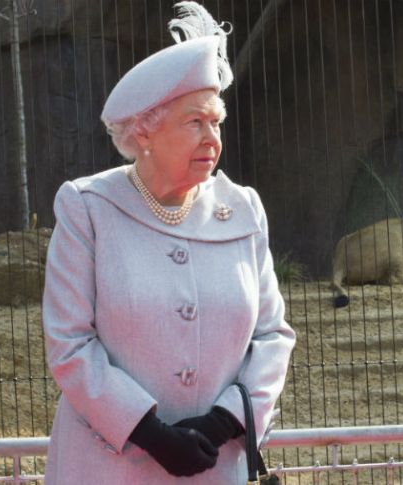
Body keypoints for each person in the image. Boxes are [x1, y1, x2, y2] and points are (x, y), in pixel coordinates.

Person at [41, 2, 296, 483]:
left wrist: (224, 422)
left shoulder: (243, 209)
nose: (212, 137)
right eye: (195, 122)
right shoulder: (87, 208)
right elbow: (70, 344)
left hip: (214, 464)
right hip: (108, 468)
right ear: (145, 131)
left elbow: (272, 337)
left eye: (216, 122)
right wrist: (151, 434)